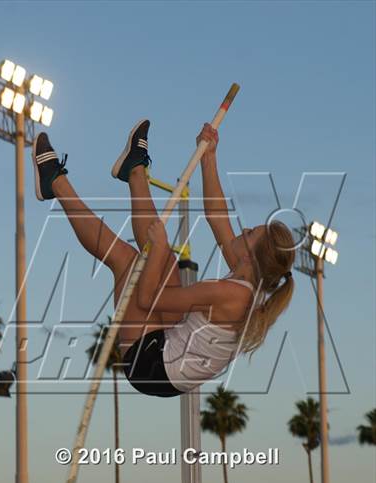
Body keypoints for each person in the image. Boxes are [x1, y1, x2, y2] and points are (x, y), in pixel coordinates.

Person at [32, 119, 295, 397]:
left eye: (252, 232)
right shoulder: (246, 275)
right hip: (174, 342)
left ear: (254, 255)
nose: (244, 229)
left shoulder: (231, 293)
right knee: (165, 257)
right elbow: (217, 218)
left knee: (129, 260)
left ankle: (54, 182)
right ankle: (134, 169)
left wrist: (156, 251)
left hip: (149, 366)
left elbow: (147, 299)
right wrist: (209, 156)